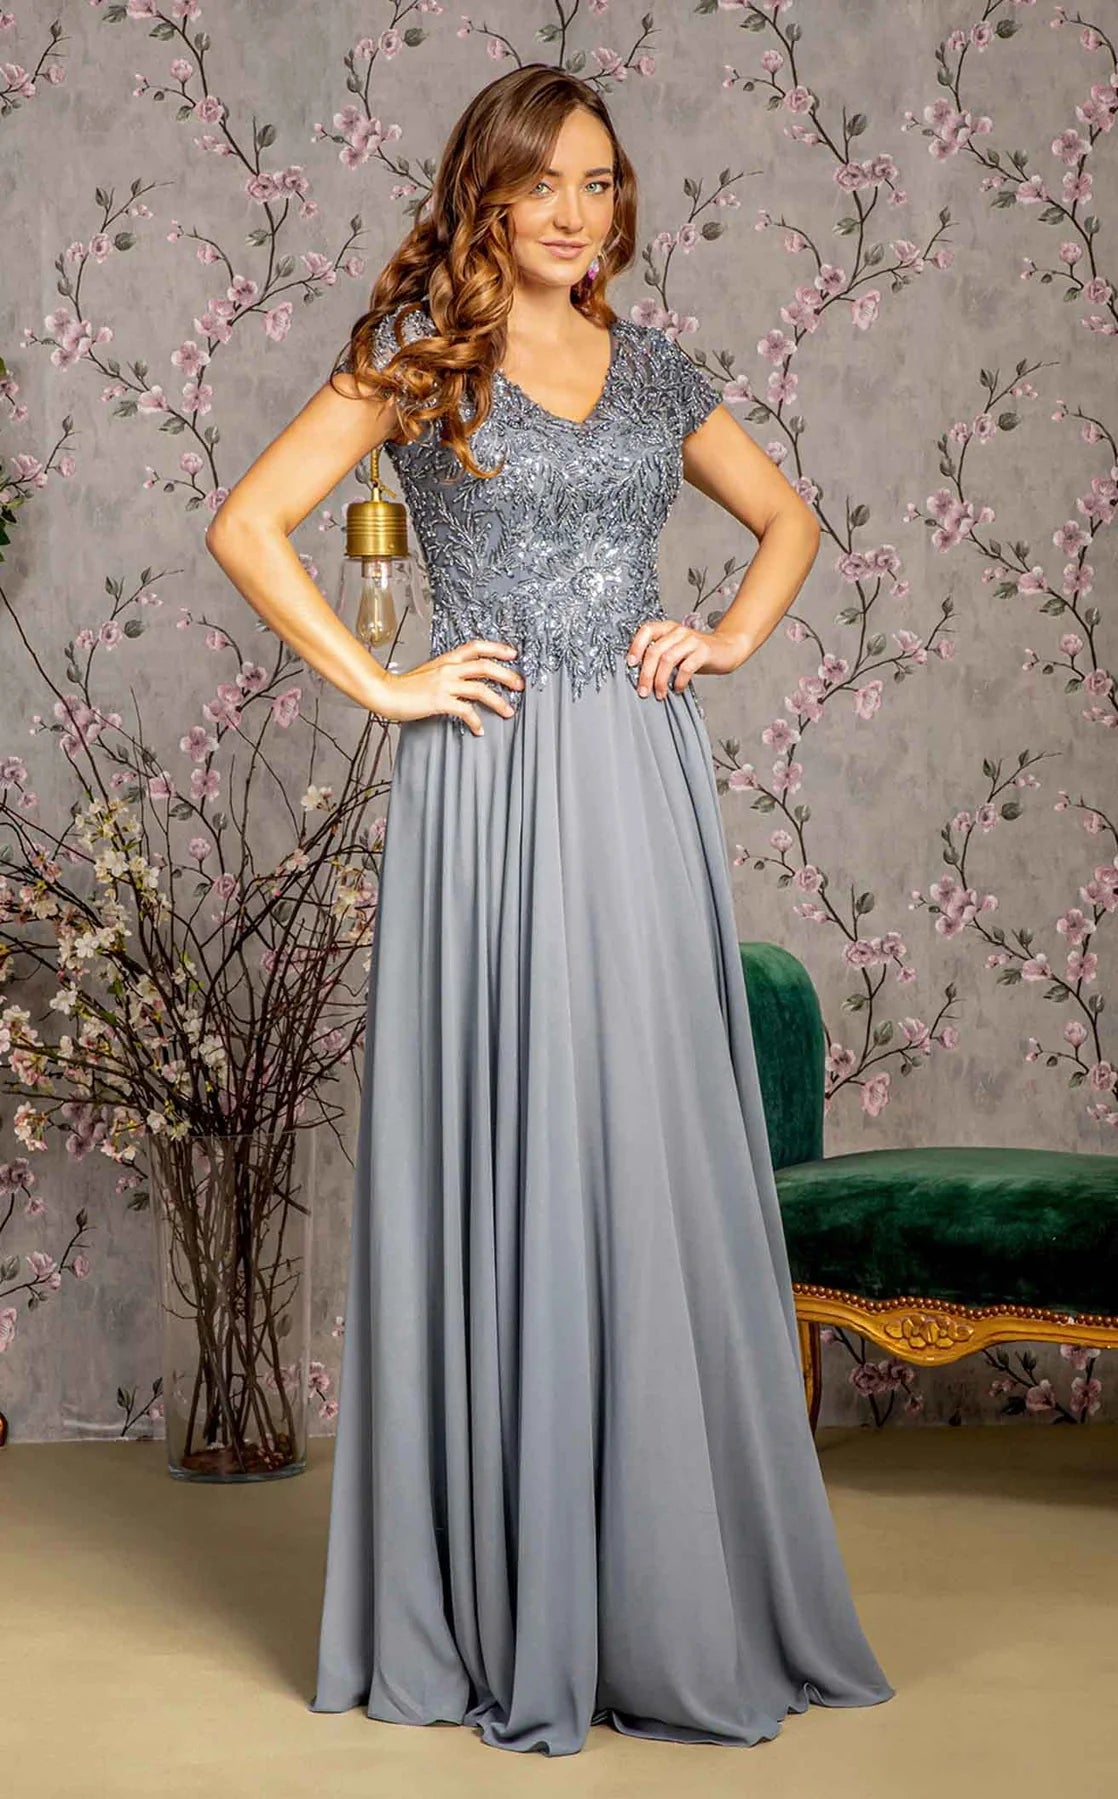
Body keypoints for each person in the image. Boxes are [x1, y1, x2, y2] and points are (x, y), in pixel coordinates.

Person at [206, 62, 895, 1758]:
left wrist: (720, 638)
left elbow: (788, 522)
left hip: (639, 785)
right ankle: (504, 1591)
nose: (578, 213)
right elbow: (248, 523)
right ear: (485, 198)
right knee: (507, 1133)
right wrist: (385, 683)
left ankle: (661, 1582)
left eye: (599, 182)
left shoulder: (651, 369)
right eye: (544, 185)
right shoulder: (419, 361)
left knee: (641, 1133)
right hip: (490, 780)